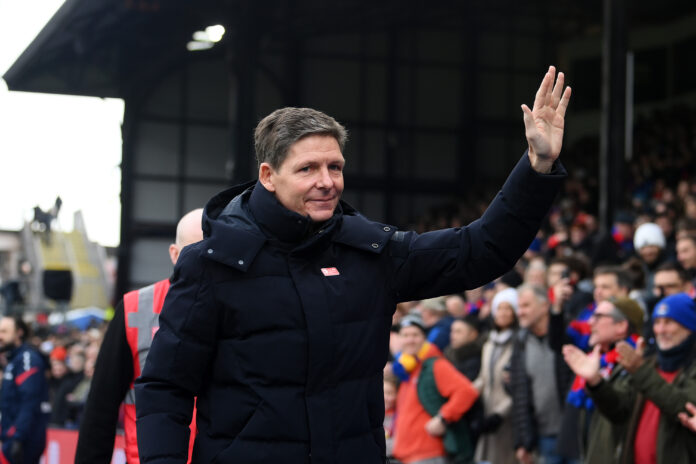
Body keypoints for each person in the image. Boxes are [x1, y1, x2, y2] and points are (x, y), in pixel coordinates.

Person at [135, 67, 571, 464]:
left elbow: (481, 249)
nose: (327, 182)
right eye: (308, 168)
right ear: (268, 176)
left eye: (335, 167)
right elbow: (166, 389)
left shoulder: (374, 253)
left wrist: (537, 167)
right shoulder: (211, 265)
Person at [75, 209, 203, 464]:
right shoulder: (136, 307)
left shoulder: (243, 308)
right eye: (195, 251)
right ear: (174, 255)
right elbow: (101, 407)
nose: (206, 260)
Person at [565, 293, 696, 463]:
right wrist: (596, 382)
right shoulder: (649, 364)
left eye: (669, 323)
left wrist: (640, 370)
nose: (661, 330)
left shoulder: (644, 366)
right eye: (657, 322)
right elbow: (620, 411)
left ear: (689, 326)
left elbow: (686, 409)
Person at [562, 297, 644, 463]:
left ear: (621, 326)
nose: (590, 322)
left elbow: (619, 409)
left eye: (598, 317)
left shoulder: (634, 364)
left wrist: (596, 382)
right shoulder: (598, 359)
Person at [391, 316, 479, 464]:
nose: (410, 340)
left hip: (427, 454)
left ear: (424, 338)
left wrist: (443, 418)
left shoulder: (435, 365)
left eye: (415, 335)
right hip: (406, 455)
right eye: (405, 335)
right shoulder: (408, 369)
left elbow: (467, 392)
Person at [509, 284, 572, 464]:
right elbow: (519, 395)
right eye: (519, 307)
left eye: (526, 306)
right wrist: (522, 441)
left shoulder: (568, 332)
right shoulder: (520, 342)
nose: (520, 312)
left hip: (575, 433)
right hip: (544, 438)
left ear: (545, 306)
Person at [473, 287, 518, 464]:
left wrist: (500, 413)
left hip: (508, 416)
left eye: (508, 308)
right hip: (487, 413)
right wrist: (465, 394)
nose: (503, 313)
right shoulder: (489, 344)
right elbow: (482, 379)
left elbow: (518, 384)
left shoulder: (518, 342)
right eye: (500, 308)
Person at [0, 316, 50, 464]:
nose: (0, 336)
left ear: (19, 333)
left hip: (23, 441)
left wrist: (17, 437)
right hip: (12, 437)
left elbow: (29, 401)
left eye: (4, 332)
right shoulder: (14, 360)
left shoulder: (27, 358)